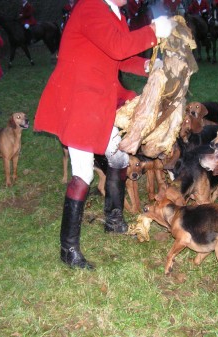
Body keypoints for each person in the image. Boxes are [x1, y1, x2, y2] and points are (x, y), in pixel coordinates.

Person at [33, 0, 173, 269]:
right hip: (80, 101)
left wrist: (149, 67)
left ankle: (114, 219)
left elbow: (119, 58)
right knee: (83, 173)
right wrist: (154, 30)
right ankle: (68, 249)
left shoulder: (114, 14)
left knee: (119, 158)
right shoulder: (91, 6)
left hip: (98, 99)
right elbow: (118, 46)